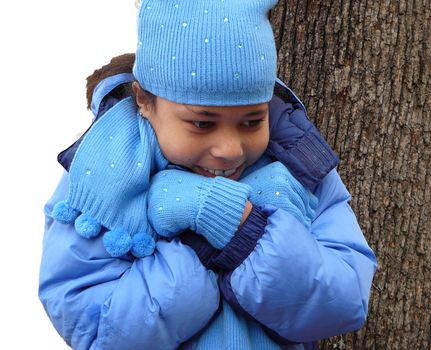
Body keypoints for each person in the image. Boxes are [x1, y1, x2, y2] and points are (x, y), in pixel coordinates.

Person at [39, 1, 377, 349]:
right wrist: (195, 246)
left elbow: (345, 299)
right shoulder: (96, 180)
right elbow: (97, 331)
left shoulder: (300, 166)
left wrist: (243, 229)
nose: (230, 149)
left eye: (252, 121)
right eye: (202, 123)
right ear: (144, 99)